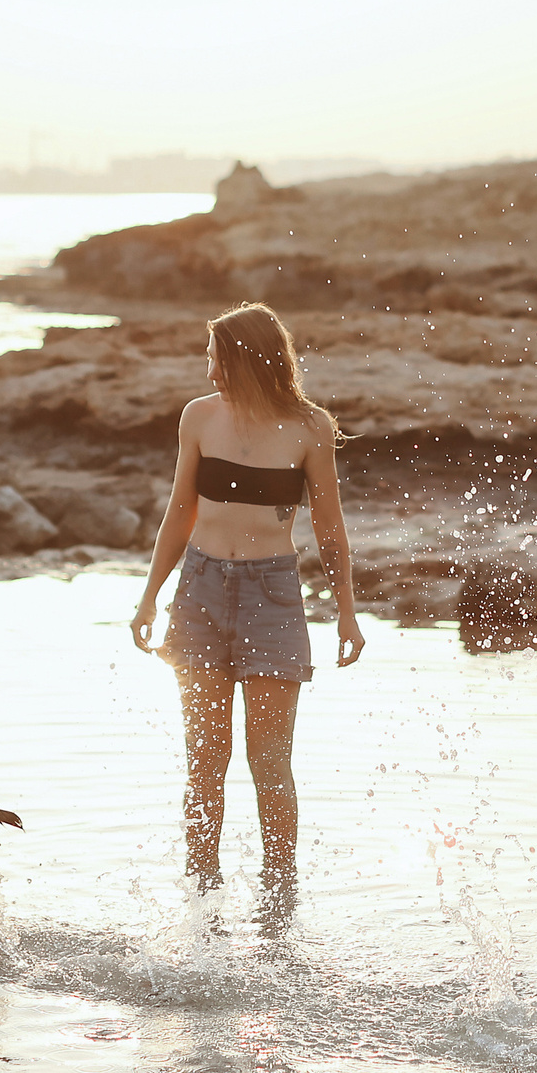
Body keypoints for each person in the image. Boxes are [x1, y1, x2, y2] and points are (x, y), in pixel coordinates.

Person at [131, 303, 363, 894]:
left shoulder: (310, 427)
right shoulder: (199, 418)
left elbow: (330, 528)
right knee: (205, 764)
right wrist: (150, 596)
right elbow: (179, 511)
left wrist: (346, 612)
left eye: (214, 358)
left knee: (269, 765)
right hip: (200, 593)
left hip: (273, 597)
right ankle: (202, 900)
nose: (208, 371)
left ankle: (279, 902)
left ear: (242, 359)